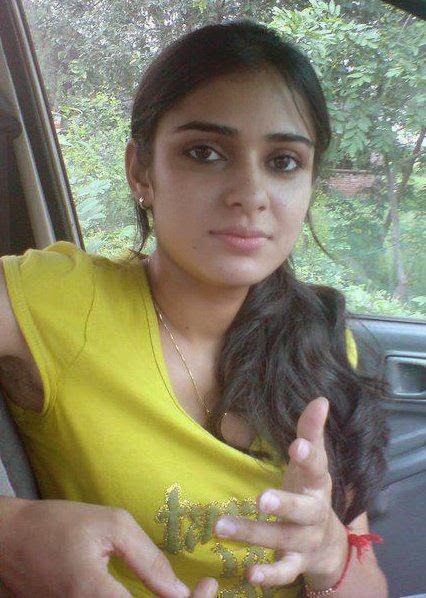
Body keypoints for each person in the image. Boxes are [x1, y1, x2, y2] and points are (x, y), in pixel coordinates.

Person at [0, 19, 389, 598]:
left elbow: (370, 586)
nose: (250, 194)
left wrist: (329, 549)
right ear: (141, 171)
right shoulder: (61, 299)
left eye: (284, 161)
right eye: (204, 153)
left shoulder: (321, 339)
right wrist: (9, 532)